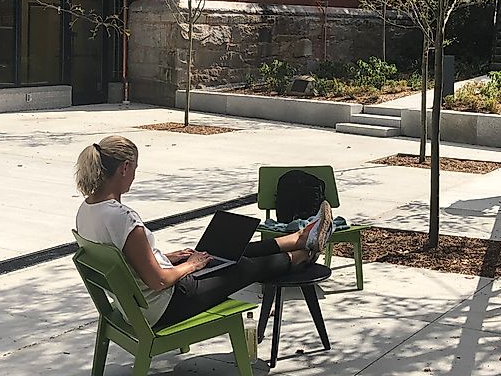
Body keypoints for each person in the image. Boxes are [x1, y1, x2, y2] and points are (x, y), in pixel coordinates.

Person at [74, 136, 335, 329]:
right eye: (135, 170)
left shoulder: (86, 211)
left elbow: (125, 259)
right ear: (125, 168)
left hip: (135, 306)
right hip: (165, 305)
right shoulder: (125, 219)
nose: (134, 176)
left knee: (221, 253)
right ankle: (302, 254)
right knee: (243, 268)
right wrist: (190, 265)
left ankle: (298, 238)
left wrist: (168, 256)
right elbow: (160, 282)